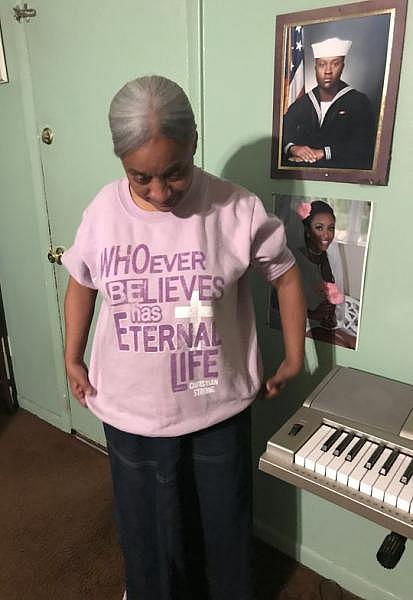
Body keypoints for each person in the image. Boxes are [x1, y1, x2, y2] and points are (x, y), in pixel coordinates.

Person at [61, 75, 306, 600]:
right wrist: (72, 356)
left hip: (215, 407)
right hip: (131, 411)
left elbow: (285, 274)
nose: (158, 192)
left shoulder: (234, 208)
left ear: (193, 141)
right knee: (147, 528)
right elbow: (80, 282)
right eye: (139, 177)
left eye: (173, 174)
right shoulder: (104, 211)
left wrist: (293, 353)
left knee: (223, 524)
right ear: (120, 161)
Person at [282, 37, 375, 169]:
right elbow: (283, 134)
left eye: (335, 64)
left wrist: (324, 153)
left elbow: (363, 146)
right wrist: (293, 148)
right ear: (315, 68)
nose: (327, 71)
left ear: (342, 67)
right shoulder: (302, 104)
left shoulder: (359, 102)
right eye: (322, 64)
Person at [294, 200, 344, 331]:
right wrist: (312, 314)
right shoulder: (295, 258)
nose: (327, 235)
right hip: (298, 327)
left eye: (331, 228)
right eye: (319, 227)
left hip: (319, 326)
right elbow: (277, 306)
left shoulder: (326, 258)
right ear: (308, 230)